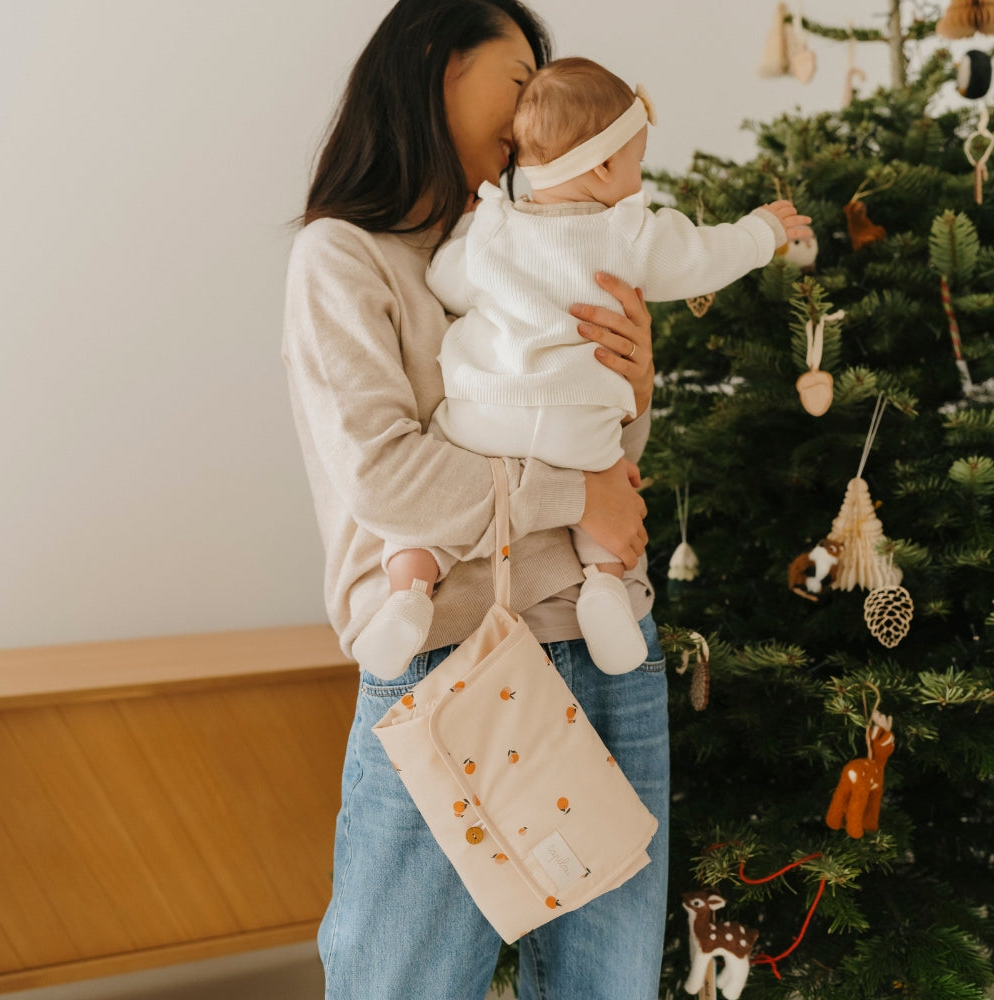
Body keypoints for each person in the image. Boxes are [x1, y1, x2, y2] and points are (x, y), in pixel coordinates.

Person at [283, 2, 666, 998]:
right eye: (519, 70)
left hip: (608, 655)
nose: (538, 97)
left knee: (607, 986)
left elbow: (614, 474)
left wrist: (635, 392)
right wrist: (574, 492)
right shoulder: (344, 257)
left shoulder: (543, 242)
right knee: (398, 982)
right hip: (444, 662)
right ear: (437, 66)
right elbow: (392, 481)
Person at [353, 56, 812, 679]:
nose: (638, 177)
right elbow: (706, 256)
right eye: (637, 162)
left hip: (483, 412)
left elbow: (445, 280)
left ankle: (409, 591)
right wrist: (762, 232)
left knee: (422, 530)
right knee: (610, 489)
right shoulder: (630, 233)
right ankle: (601, 589)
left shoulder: (492, 226)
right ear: (603, 165)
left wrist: (472, 250)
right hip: (578, 420)